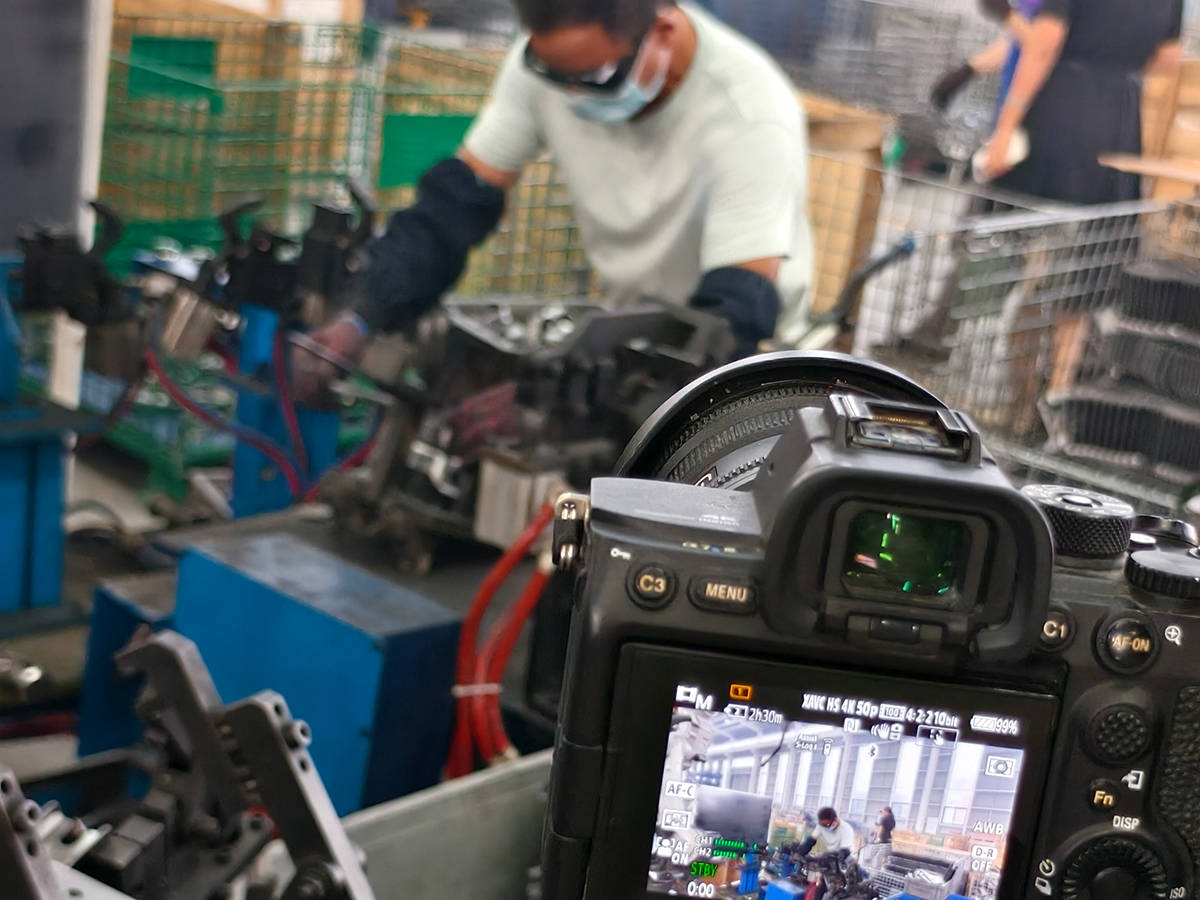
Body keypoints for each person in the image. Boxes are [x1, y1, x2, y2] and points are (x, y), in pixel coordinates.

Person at [296, 0, 813, 397]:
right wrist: (361, 313)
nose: (571, 97)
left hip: (751, 356)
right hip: (630, 318)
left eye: (594, 77)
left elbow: (731, 321)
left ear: (663, 30)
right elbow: (452, 209)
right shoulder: (545, 68)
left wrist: (550, 401)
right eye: (554, 76)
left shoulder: (750, 115)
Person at [979, 0, 1184, 203]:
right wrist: (1114, 69)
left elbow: (1044, 47)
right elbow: (1168, 60)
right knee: (1102, 217)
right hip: (1121, 115)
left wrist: (1005, 128)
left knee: (1028, 211)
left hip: (1059, 104)